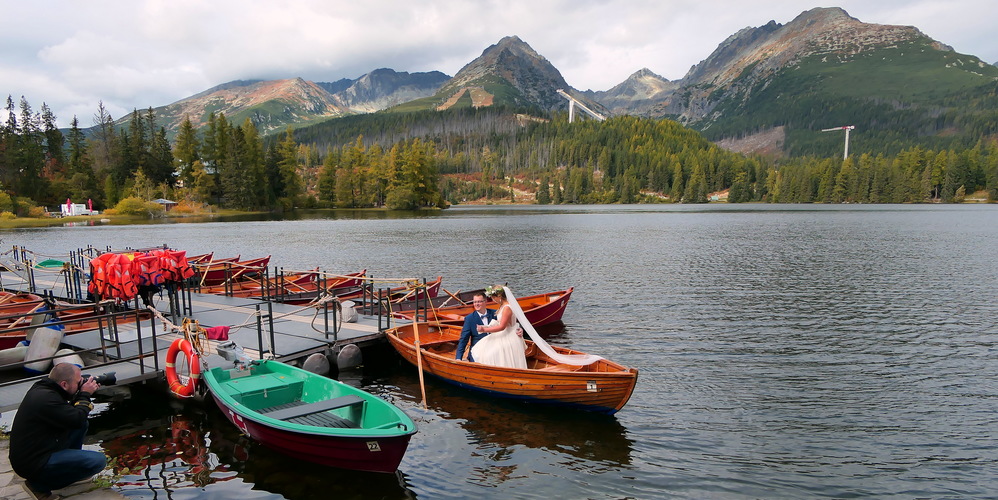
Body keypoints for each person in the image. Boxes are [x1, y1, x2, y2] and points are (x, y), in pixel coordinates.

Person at [9, 363, 107, 500]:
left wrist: (79, 391)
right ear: (64, 384)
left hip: (37, 449)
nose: (81, 384)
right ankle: (37, 486)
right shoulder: (46, 399)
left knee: (82, 424)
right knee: (98, 461)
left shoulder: (45, 388)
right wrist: (85, 394)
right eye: (78, 382)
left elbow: (74, 418)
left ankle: (70, 468)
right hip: (33, 462)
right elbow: (76, 418)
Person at [470, 285, 528, 369]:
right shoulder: (502, 306)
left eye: (493, 298)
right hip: (505, 334)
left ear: (499, 296)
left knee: (491, 354)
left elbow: (502, 326)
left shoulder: (507, 308)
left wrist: (484, 329)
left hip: (509, 336)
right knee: (482, 349)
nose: (493, 300)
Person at [455, 293, 495, 362]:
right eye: (475, 302)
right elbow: (464, 339)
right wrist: (458, 357)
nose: (476, 304)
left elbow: (508, 325)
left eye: (479, 301)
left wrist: (519, 329)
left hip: (494, 348)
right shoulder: (469, 319)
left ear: (485, 302)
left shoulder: (495, 314)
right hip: (477, 350)